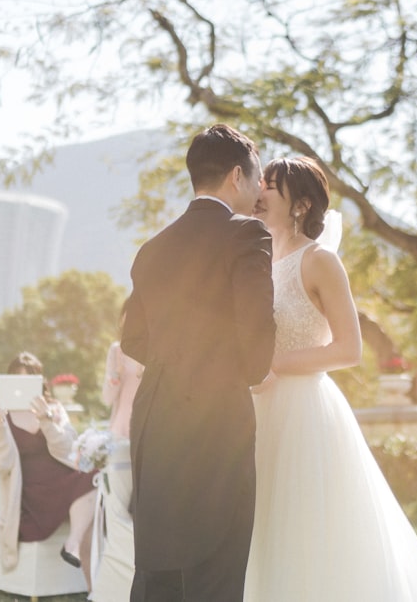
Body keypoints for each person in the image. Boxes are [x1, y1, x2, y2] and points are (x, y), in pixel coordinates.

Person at [244, 157, 417, 601]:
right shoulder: (259, 259)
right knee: (263, 528)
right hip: (259, 411)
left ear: (301, 204)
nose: (259, 192)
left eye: (270, 186)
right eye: (260, 183)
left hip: (304, 412)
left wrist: (273, 364)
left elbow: (348, 350)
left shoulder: (319, 260)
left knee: (306, 530)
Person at [121, 123, 275, 602]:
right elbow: (255, 352)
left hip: (155, 420)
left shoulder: (151, 249)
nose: (258, 191)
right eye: (256, 179)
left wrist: (181, 363)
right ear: (236, 176)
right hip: (217, 425)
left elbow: (132, 339)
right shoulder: (247, 234)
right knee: (216, 571)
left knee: (157, 569)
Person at [0, 351, 96, 583]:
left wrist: (46, 420)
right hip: (28, 488)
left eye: (29, 378)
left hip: (61, 476)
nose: (23, 384)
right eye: (17, 377)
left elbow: (68, 448)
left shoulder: (53, 408)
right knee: (82, 481)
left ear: (39, 380)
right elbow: (1, 463)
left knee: (93, 476)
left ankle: (73, 545)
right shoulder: (0, 414)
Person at [102, 301, 144, 512]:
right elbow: (107, 398)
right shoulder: (116, 350)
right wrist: (116, 374)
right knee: (120, 479)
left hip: (145, 418)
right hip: (121, 422)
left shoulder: (150, 348)